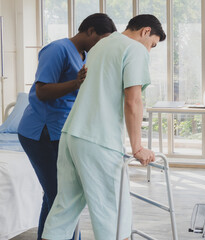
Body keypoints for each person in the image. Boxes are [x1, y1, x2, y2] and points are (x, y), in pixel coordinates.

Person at [41, 14, 166, 240]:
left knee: (64, 207)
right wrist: (138, 147)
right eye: (153, 45)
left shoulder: (100, 46)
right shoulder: (135, 49)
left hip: (71, 135)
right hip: (99, 139)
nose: (149, 51)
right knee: (113, 214)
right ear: (146, 31)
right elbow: (133, 100)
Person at [17, 13, 117, 240]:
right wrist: (76, 82)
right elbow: (42, 91)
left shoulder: (84, 55)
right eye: (101, 40)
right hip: (40, 132)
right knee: (61, 196)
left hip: (60, 131)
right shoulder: (58, 49)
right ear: (90, 31)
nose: (101, 46)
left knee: (56, 194)